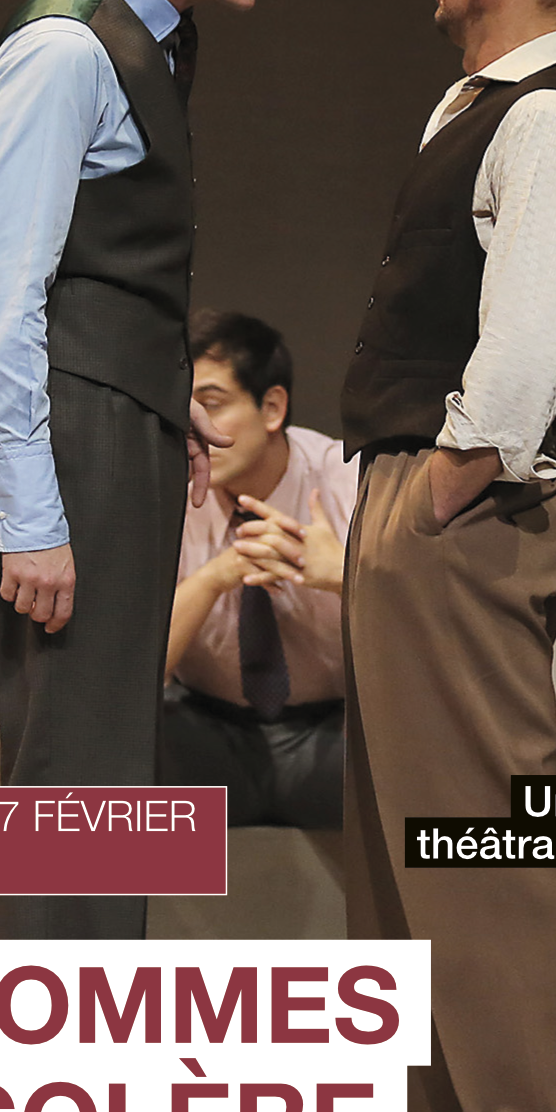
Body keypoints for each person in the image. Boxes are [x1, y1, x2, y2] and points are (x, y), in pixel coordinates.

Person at [0, 0, 298, 1112]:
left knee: (107, 767)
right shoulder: (66, 46)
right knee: (78, 771)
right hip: (65, 434)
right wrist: (36, 512)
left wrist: (170, 419)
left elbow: (115, 270)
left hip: (117, 422)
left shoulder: (159, 31)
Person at [302, 0, 556, 1112]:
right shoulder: (473, 108)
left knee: (483, 827)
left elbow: (538, 327)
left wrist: (450, 478)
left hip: (467, 497)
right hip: (410, 483)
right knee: (396, 832)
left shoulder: (550, 120)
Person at [163, 309, 356, 828]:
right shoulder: (163, 490)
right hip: (206, 730)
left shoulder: (349, 480)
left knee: (454, 767)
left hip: (336, 732)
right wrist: (214, 579)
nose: (192, 428)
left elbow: (434, 629)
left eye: (210, 404)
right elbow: (132, 677)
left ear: (272, 407)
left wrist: (344, 574)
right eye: (179, 408)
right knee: (81, 750)